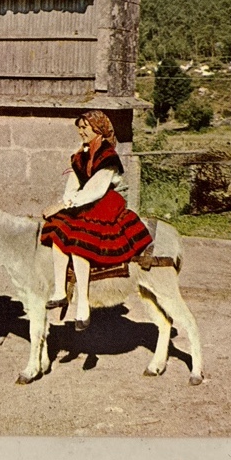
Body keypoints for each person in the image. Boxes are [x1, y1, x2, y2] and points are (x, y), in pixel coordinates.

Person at [40, 110, 153, 330]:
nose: (81, 132)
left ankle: (83, 304)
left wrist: (64, 205)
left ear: (98, 130)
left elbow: (95, 190)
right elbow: (73, 184)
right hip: (82, 202)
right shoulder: (80, 155)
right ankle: (60, 292)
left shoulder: (108, 156)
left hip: (103, 203)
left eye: (85, 128)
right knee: (57, 231)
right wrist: (65, 202)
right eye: (79, 128)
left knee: (80, 241)